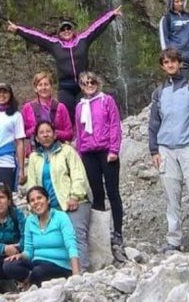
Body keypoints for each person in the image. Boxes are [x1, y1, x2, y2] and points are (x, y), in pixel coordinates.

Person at [6, 6, 122, 121]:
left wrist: (111, 15)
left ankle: (86, 138)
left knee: (85, 113)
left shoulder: (83, 39)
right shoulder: (54, 44)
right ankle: (70, 138)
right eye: (63, 29)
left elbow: (96, 27)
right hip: (65, 86)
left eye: (68, 28)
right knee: (66, 114)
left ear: (73, 30)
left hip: (84, 84)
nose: (66, 31)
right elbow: (36, 36)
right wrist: (18, 30)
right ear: (59, 33)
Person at [149, 48, 189, 253]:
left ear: (179, 63)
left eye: (173, 61)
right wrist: (153, 150)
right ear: (162, 66)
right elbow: (154, 122)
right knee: (171, 197)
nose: (170, 65)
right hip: (165, 148)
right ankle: (174, 239)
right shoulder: (159, 93)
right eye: (166, 62)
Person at [27, 121, 91, 272]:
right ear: (36, 138)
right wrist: (34, 204)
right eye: (41, 132)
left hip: (73, 202)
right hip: (48, 206)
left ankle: (83, 272)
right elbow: (32, 184)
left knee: (75, 234)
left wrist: (75, 196)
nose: (45, 135)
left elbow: (78, 175)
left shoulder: (67, 151)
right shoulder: (34, 157)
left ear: (55, 134)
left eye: (48, 131)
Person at [73, 71, 124, 250]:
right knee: (96, 194)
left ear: (98, 82)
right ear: (80, 86)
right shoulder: (80, 106)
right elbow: (78, 131)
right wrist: (79, 153)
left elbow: (115, 125)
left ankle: (118, 232)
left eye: (92, 82)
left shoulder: (106, 100)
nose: (89, 85)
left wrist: (114, 149)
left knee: (113, 192)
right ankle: (102, 233)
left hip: (106, 152)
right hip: (88, 153)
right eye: (85, 83)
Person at [8, 186, 80, 287]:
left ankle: (32, 282)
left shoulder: (61, 217)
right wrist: (20, 256)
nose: (36, 202)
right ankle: (31, 281)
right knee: (9, 265)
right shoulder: (30, 221)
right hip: (37, 263)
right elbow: (29, 250)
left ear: (48, 200)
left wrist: (76, 275)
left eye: (39, 198)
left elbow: (71, 245)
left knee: (38, 272)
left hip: (59, 266)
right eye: (32, 200)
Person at [21, 72, 73, 144]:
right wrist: (36, 130)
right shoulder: (27, 108)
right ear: (35, 89)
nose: (43, 88)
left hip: (58, 148)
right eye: (40, 85)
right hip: (35, 149)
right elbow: (22, 133)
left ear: (51, 87)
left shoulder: (61, 107)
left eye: (46, 84)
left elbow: (69, 134)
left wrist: (53, 132)